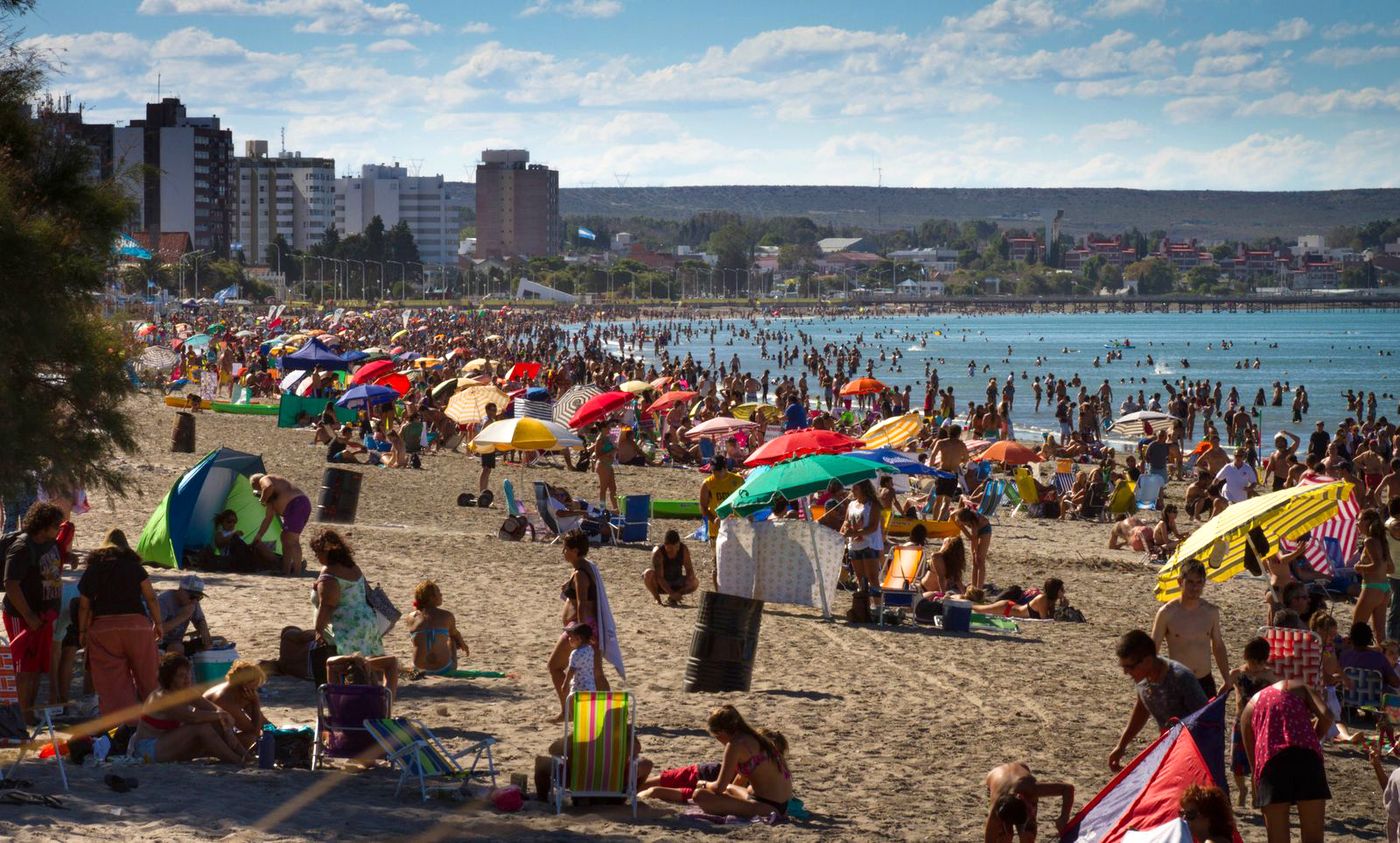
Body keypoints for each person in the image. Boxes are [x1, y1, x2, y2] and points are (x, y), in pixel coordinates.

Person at [76, 542, 162, 724]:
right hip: (137, 626)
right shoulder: (134, 568)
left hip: (104, 628)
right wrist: (158, 622)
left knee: (113, 684)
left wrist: (82, 631)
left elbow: (84, 606)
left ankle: (125, 726)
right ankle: (158, 720)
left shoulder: (93, 570)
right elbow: (151, 597)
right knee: (149, 677)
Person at [1240, 678, 1333, 843]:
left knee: (1277, 839)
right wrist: (1312, 737)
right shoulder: (1295, 686)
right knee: (1313, 839)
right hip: (1307, 759)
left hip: (1272, 764)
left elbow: (1254, 760)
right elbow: (1327, 716)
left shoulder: (1249, 708)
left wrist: (1256, 785)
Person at [309, 529, 398, 697]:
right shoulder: (352, 567)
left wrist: (318, 629)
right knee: (367, 665)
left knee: (348, 665)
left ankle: (340, 700)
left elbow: (327, 605)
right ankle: (379, 698)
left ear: (324, 551)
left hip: (347, 626)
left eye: (317, 553)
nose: (316, 557)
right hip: (367, 622)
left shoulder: (329, 574)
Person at [1109, 629, 1209, 771]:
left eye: (1129, 667)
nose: (1126, 672)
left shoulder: (1180, 678)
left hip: (1194, 751)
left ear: (1148, 660)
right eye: (1123, 667)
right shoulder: (1142, 676)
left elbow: (1206, 719)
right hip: (1169, 747)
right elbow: (1142, 707)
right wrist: (1121, 745)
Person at [1, 502, 64, 722]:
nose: (59, 528)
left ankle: (28, 715)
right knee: (23, 667)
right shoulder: (22, 547)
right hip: (22, 615)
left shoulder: (49, 543)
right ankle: (18, 717)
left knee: (36, 667)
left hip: (44, 616)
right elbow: (11, 584)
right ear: (44, 525)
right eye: (56, 525)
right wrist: (28, 616)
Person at [128, 652, 249, 764]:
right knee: (202, 727)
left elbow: (215, 710)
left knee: (216, 723)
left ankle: (245, 756)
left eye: (188, 674)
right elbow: (192, 718)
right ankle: (237, 761)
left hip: (168, 744)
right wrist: (223, 716)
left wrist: (228, 730)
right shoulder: (162, 697)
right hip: (148, 750)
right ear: (169, 678)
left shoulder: (186, 692)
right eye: (181, 676)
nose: (187, 679)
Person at [691, 705, 793, 818]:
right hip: (781, 803)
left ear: (721, 732)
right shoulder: (757, 737)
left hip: (768, 807)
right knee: (729, 788)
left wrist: (704, 784)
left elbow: (719, 787)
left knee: (699, 795)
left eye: (716, 736)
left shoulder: (735, 744)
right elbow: (729, 785)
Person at [548, 530, 609, 720]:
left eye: (565, 548)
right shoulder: (582, 568)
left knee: (554, 666)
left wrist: (581, 633)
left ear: (574, 550)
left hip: (581, 627)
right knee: (597, 672)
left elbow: (582, 602)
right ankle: (609, 712)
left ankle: (568, 712)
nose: (563, 552)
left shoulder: (581, 573)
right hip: (588, 627)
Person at [1150, 560, 1230, 698]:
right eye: (1191, 582)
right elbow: (1152, 649)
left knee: (1207, 719)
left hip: (1204, 681)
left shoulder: (1210, 612)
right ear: (1180, 582)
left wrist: (1227, 679)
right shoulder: (1167, 613)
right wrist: (1150, 679)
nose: (1195, 587)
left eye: (1199, 582)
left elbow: (1218, 646)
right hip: (1177, 681)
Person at [1229, 636, 1277, 807]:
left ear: (1265, 661)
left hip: (1262, 723)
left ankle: (1256, 792)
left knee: (1258, 760)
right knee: (1237, 762)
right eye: (1252, 662)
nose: (1255, 667)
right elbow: (1224, 690)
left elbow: (1282, 695)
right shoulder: (1237, 674)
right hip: (1241, 722)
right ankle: (1242, 789)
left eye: (1259, 663)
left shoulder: (1270, 675)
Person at [983, 761, 1074, 843]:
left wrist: (1064, 817)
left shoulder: (1031, 788)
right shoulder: (995, 811)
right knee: (1003, 837)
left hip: (1019, 769)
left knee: (1027, 834)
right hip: (995, 775)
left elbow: (1068, 788)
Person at [250, 473, 312, 577]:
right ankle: (286, 571)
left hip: (296, 504)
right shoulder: (272, 497)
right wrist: (259, 536)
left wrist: (262, 500)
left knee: (292, 540)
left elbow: (268, 486)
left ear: (255, 483)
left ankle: (297, 572)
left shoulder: (265, 479)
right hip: (298, 506)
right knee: (284, 537)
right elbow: (268, 519)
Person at [202, 659, 271, 749]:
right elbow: (255, 732)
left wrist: (274, 730)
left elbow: (263, 722)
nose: (255, 691)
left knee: (268, 734)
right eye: (254, 688)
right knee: (251, 739)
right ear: (244, 685)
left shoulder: (235, 690)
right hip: (207, 740)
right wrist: (255, 703)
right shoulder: (225, 699)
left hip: (218, 734)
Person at [405, 579, 468, 676]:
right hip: (443, 668)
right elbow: (455, 634)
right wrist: (463, 644)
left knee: (420, 638)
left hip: (419, 668)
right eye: (439, 593)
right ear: (431, 598)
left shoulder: (410, 617)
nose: (441, 595)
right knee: (452, 637)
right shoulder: (447, 616)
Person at [699, 459, 743, 586]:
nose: (715, 474)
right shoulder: (707, 484)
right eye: (712, 471)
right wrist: (713, 519)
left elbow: (745, 500)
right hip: (717, 530)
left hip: (737, 527)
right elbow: (703, 506)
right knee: (717, 563)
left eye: (717, 471)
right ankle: (718, 592)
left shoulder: (738, 480)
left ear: (725, 468)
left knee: (737, 562)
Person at [841, 479, 884, 607]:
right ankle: (864, 606)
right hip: (854, 545)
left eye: (855, 488)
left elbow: (873, 527)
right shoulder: (852, 504)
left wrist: (852, 533)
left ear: (863, 488)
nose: (852, 491)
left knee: (872, 577)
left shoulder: (873, 505)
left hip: (869, 544)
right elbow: (846, 521)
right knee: (860, 578)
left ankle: (878, 606)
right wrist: (843, 530)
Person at [1356, 508, 1395, 644]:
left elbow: (1377, 565)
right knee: (1380, 635)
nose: (1356, 523)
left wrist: (1360, 567)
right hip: (1384, 588)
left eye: (1359, 520)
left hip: (1371, 588)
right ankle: (1385, 662)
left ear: (1367, 522)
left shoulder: (1369, 541)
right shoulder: (1382, 541)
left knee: (1357, 629)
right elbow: (1391, 567)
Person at [157, 575, 214, 654]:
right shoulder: (163, 601)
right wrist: (181, 617)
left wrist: (204, 632)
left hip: (179, 642)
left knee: (220, 641)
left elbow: (200, 620)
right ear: (180, 590)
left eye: (199, 597)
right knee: (177, 648)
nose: (195, 601)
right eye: (192, 596)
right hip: (160, 645)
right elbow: (156, 632)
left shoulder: (193, 602)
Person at [644, 529, 699, 606]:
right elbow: (660, 577)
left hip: (677, 581)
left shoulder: (683, 550)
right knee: (648, 574)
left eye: (672, 550)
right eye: (668, 550)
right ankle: (657, 599)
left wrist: (689, 579)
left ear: (678, 545)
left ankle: (672, 598)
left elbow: (689, 569)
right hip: (661, 584)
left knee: (694, 582)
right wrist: (671, 592)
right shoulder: (658, 552)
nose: (670, 552)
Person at [1339, 621, 1400, 689]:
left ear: (1352, 639)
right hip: (1374, 698)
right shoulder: (1379, 658)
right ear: (1369, 640)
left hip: (1350, 698)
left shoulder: (1344, 656)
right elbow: (1396, 683)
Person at [970, 578, 1065, 620]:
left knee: (980, 608)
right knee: (977, 608)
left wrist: (1062, 606)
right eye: (1062, 589)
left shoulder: (1049, 600)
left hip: (1011, 607)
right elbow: (1045, 619)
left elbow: (1050, 617)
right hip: (1007, 608)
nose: (1064, 591)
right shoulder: (1042, 598)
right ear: (1055, 590)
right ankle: (964, 602)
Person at [956, 507, 992, 589]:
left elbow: (974, 538)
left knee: (979, 559)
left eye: (964, 524)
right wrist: (962, 528)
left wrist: (976, 552)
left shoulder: (974, 523)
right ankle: (973, 585)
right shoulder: (958, 514)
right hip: (975, 533)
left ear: (967, 521)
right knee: (974, 561)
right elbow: (952, 516)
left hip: (985, 529)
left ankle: (979, 588)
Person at [561, 622, 596, 696]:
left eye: (570, 637)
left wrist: (565, 684)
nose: (569, 639)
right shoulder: (590, 650)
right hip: (591, 687)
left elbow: (571, 670)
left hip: (579, 688)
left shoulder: (575, 653)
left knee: (574, 706)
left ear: (578, 639)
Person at [592, 426, 620, 512]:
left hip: (608, 464)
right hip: (602, 464)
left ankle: (616, 509)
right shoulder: (599, 440)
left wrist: (614, 449)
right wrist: (610, 452)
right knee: (603, 489)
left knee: (613, 488)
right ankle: (602, 509)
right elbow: (598, 456)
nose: (609, 429)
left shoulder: (607, 438)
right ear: (602, 428)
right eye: (608, 427)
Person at [477, 402, 499, 494]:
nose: (494, 412)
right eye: (492, 410)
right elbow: (482, 433)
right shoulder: (488, 421)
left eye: (495, 410)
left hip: (490, 447)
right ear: (487, 411)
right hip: (487, 447)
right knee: (486, 469)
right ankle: (482, 490)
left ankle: (484, 489)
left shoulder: (490, 420)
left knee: (488, 469)